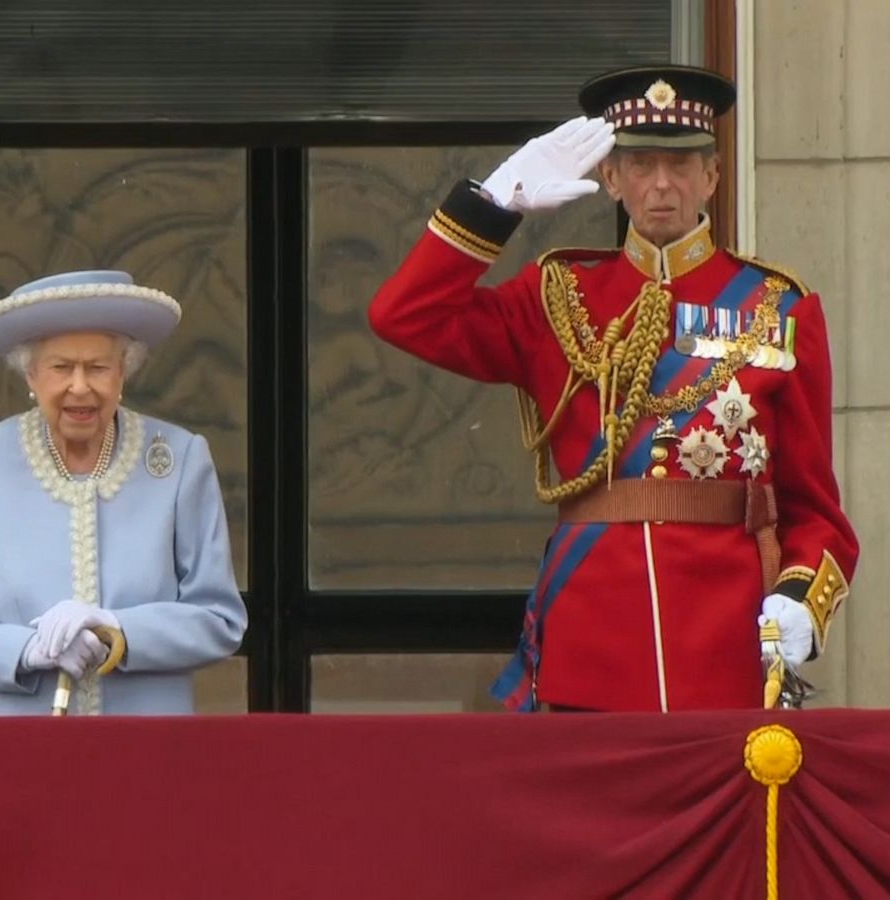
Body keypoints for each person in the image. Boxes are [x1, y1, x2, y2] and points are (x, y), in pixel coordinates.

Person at [368, 65, 859, 713]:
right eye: (641, 164)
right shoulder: (557, 298)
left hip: (724, 640)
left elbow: (815, 512)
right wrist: (491, 206)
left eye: (681, 166)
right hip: (592, 637)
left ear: (711, 177)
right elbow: (403, 316)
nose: (662, 184)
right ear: (610, 178)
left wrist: (799, 600)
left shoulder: (775, 309)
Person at [0, 269, 247, 715]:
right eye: (60, 367)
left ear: (123, 373)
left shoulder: (181, 458)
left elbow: (220, 619)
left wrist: (118, 629)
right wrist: (25, 650)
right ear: (30, 374)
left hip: (146, 748)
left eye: (98, 367)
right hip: (21, 747)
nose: (79, 386)